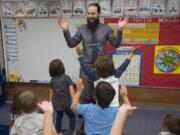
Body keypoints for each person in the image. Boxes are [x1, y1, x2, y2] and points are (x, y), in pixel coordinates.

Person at [58, 3, 129, 104]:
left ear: (99, 13)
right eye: (88, 13)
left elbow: (116, 44)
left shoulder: (106, 29)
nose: (90, 16)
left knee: (101, 94)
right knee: (86, 95)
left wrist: (120, 29)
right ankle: (86, 118)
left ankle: (99, 115)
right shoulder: (82, 29)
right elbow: (71, 43)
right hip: (86, 67)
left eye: (93, 13)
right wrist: (65, 30)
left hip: (102, 68)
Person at [49, 58, 76, 133]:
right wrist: (74, 103)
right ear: (62, 67)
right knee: (72, 117)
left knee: (59, 116)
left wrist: (50, 103)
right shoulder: (66, 77)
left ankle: (57, 131)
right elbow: (71, 91)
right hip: (66, 104)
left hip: (56, 103)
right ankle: (72, 132)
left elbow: (51, 93)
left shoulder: (52, 80)